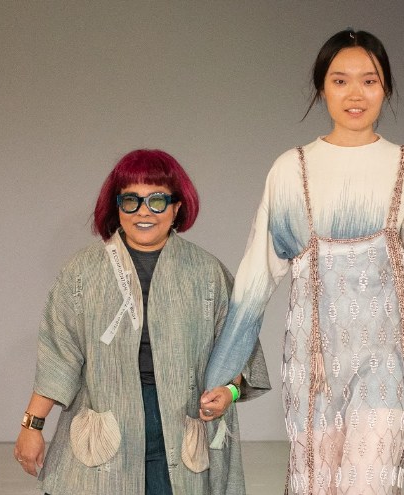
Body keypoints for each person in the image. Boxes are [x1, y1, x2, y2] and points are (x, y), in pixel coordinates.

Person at [202, 30, 404, 494]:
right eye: (340, 80)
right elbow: (256, 277)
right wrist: (222, 374)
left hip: (389, 363)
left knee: (371, 483)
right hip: (313, 369)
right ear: (321, 88)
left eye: (369, 81)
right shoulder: (291, 169)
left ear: (386, 88)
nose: (355, 94)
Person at [14, 149, 270, 495]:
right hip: (104, 427)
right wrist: (32, 426)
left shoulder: (207, 273)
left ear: (177, 207)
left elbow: (238, 353)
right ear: (117, 207)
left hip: (181, 426)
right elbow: (59, 357)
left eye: (157, 200)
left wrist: (230, 391)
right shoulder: (82, 272)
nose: (143, 211)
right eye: (131, 200)